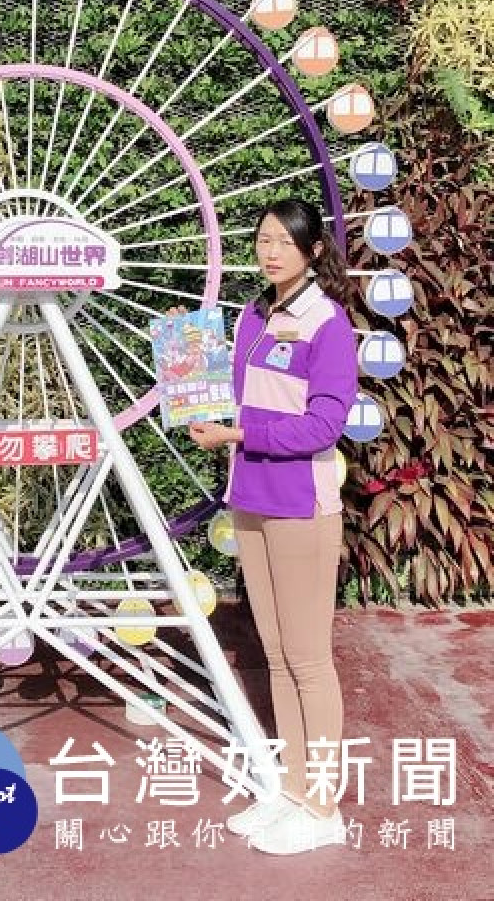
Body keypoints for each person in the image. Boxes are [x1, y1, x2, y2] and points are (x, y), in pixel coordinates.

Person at [187, 197, 357, 856]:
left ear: (313, 251)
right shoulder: (253, 315)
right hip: (251, 500)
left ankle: (324, 807)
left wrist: (237, 434)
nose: (271, 251)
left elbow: (323, 427)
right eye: (263, 239)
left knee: (309, 658)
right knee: (278, 655)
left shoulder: (327, 323)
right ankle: (294, 789)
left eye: (286, 241)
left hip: (301, 505)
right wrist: (193, 386)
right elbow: (234, 397)